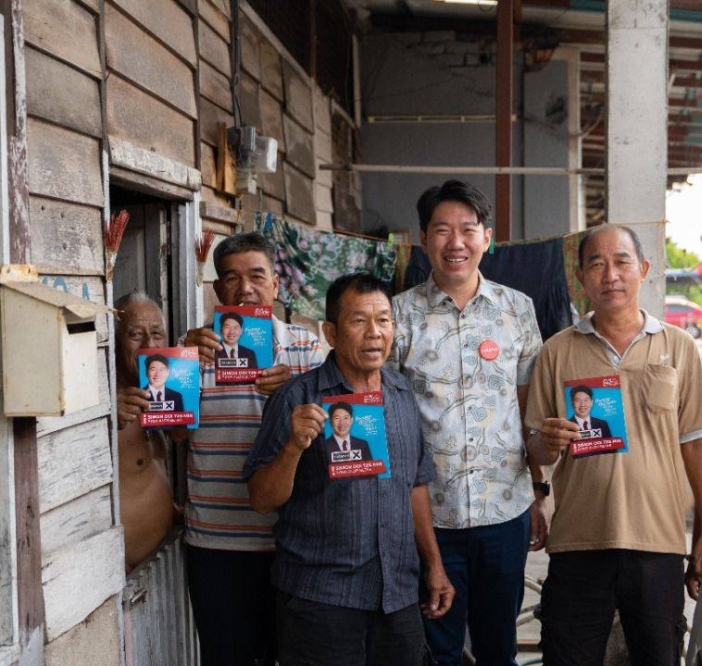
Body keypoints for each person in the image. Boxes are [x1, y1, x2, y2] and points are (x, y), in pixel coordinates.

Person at [524, 224, 702, 666]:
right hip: (578, 542)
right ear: (580, 278)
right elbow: (535, 447)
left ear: (644, 269)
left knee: (659, 657)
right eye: (596, 264)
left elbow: (696, 443)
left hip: (658, 541)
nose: (610, 275)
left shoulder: (678, 347)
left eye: (621, 262)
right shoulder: (557, 352)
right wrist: (546, 444)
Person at [244, 273, 454, 665]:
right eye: (359, 321)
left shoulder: (401, 394)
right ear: (332, 333)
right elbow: (261, 499)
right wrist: (293, 447)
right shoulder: (297, 398)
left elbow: (415, 484)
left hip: (397, 595)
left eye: (383, 320)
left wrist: (435, 566)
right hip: (321, 599)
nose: (374, 333)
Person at [388, 180, 547, 666]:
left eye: (467, 229)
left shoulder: (518, 309)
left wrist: (540, 491)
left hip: (505, 510)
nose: (455, 242)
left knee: (499, 646)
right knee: (437, 649)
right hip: (429, 517)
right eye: (442, 230)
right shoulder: (398, 315)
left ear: (487, 238)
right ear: (423, 239)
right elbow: (385, 414)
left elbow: (528, 410)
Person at [182, 232, 324, 666]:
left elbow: (336, 432)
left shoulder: (307, 348)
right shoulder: (195, 350)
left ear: (276, 285)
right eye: (232, 278)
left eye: (257, 276)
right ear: (217, 289)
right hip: (217, 540)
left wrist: (293, 391)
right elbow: (174, 436)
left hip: (294, 540)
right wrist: (184, 364)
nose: (245, 288)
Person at [113, 292, 177, 570]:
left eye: (157, 334)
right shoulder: (102, 402)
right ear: (114, 339)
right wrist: (105, 413)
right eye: (135, 335)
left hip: (163, 559)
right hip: (125, 573)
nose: (149, 345)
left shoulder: (162, 395)